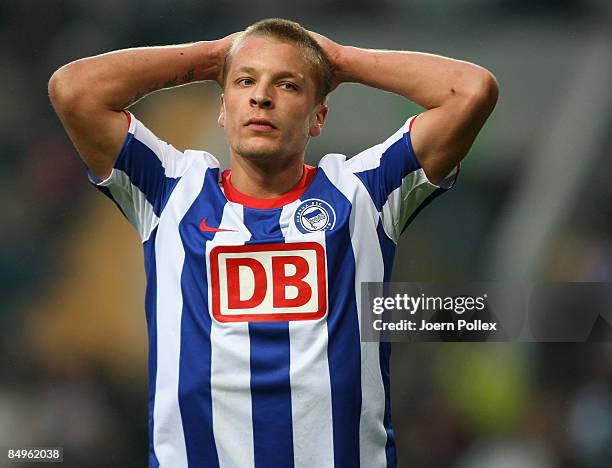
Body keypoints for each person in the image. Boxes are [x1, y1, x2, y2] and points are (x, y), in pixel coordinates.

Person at [48, 18, 498, 468]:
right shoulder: (170, 191)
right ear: (223, 110)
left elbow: (471, 91)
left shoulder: (363, 194)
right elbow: (74, 90)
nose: (261, 96)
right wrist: (215, 55)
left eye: (287, 85)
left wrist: (339, 60)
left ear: (318, 116)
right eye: (245, 81)